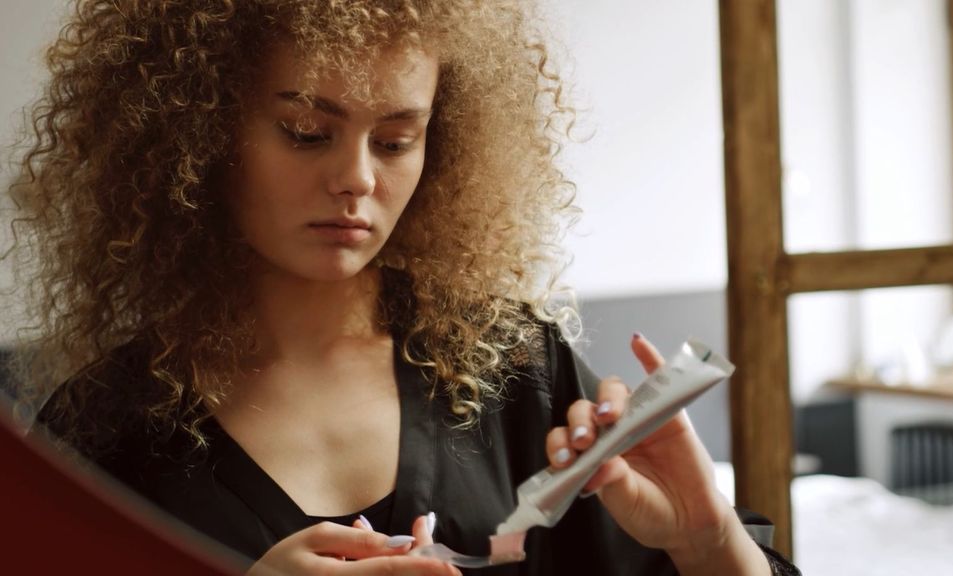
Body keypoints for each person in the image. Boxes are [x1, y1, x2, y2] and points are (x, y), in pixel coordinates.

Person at [7, 1, 799, 575]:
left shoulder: (510, 369)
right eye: (306, 133)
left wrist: (707, 543)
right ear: (200, 133)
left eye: (395, 140)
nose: (356, 179)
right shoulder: (101, 435)